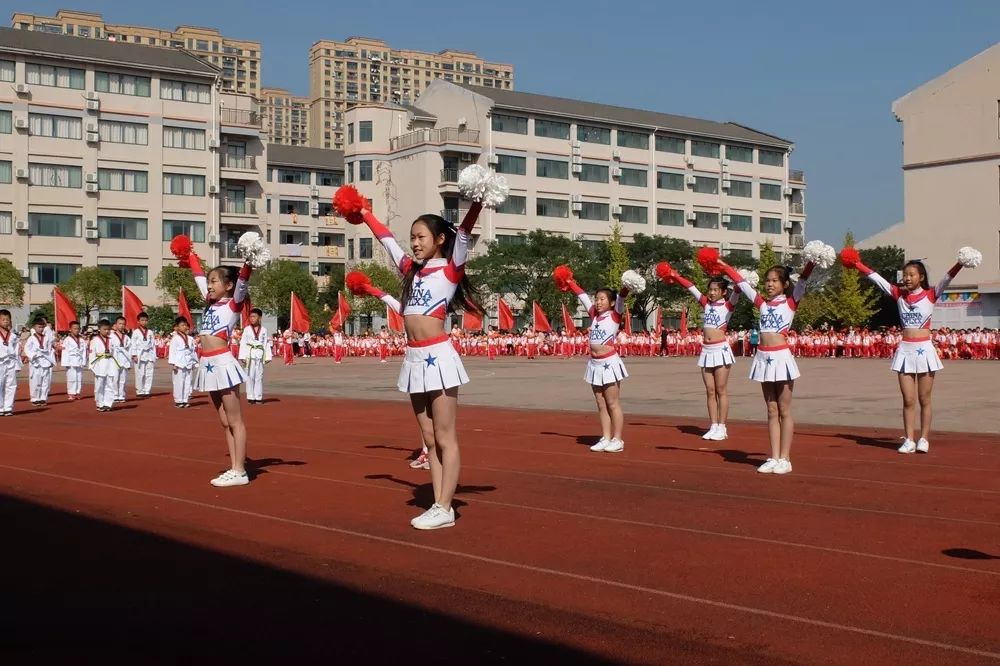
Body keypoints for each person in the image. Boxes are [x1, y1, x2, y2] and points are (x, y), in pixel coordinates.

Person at [350, 191, 484, 530]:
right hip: (413, 357)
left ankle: (444, 505)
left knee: (444, 435)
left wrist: (478, 200)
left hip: (439, 356)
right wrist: (364, 213)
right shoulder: (412, 270)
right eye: (412, 237)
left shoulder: (451, 269)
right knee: (428, 439)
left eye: (421, 237)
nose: (414, 243)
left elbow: (465, 232)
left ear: (439, 240)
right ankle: (441, 504)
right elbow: (386, 241)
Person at [844, 248, 975, 453]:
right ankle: (909, 439)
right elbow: (876, 279)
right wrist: (857, 264)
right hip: (905, 350)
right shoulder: (898, 295)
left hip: (924, 349)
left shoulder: (931, 294)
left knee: (925, 399)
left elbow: (947, 278)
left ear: (921, 277)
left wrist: (960, 262)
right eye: (904, 275)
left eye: (911, 275)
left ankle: (923, 438)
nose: (906, 278)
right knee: (908, 399)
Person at [719, 257, 817, 475]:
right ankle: (773, 456)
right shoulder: (762, 304)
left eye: (775, 281)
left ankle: (785, 457)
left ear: (784, 285)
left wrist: (812, 261)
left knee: (784, 409)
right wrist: (724, 265)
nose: (770, 284)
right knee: (771, 410)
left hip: (781, 358)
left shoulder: (791, 303)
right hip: (763, 358)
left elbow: (802, 280)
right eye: (767, 281)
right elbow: (743, 285)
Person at [182, 242, 255, 487]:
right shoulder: (211, 301)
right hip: (207, 363)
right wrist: (188, 254)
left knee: (235, 420)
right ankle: (235, 467)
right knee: (224, 422)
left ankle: (240, 470)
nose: (209, 285)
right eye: (210, 281)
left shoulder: (233, 304)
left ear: (228, 286)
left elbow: (244, 280)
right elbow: (198, 277)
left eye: (215, 281)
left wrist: (249, 260)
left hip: (223, 362)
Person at [556, 265, 638, 454]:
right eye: (597, 299)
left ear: (610, 302)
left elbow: (622, 296)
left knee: (612, 403)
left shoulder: (615, 315)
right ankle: (606, 437)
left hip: (610, 363)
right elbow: (582, 295)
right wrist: (569, 281)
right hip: (594, 363)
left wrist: (626, 285)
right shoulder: (594, 315)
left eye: (602, 299)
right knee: (600, 403)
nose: (598, 302)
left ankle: (618, 439)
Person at [658, 264, 741, 441]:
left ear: (723, 292)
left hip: (721, 349)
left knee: (721, 390)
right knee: (710, 391)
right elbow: (690, 287)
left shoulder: (728, 305)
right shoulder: (705, 303)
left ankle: (722, 426)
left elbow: (739, 289)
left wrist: (734, 275)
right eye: (710, 289)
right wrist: (675, 274)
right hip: (707, 350)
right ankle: (713, 425)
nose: (711, 293)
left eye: (715, 289)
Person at [238, 308, 272, 404]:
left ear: (259, 317)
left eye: (254, 316)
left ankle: (258, 397)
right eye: (251, 317)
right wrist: (242, 356)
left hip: (259, 354)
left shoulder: (264, 330)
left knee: (259, 376)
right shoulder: (247, 329)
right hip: (249, 354)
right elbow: (243, 342)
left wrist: (268, 356)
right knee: (249, 376)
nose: (252, 319)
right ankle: (251, 396)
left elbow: (266, 343)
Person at [22, 317, 56, 406]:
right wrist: (33, 355)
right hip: (36, 362)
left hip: (45, 361)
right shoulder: (31, 338)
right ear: (34, 327)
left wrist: (51, 361)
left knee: (45, 381)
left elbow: (50, 349)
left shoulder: (47, 338)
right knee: (35, 381)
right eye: (38, 327)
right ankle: (34, 398)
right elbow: (27, 349)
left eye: (42, 327)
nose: (40, 329)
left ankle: (43, 398)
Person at [168, 316, 198, 408]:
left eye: (185, 325)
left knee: (188, 382)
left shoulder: (190, 338)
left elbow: (192, 351)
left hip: (188, 362)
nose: (184, 327)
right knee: (178, 382)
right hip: (179, 363)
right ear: (177, 327)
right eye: (182, 325)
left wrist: (195, 362)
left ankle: (185, 399)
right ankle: (178, 400)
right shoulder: (175, 338)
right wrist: (174, 364)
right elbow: (172, 352)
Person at [89, 319, 118, 412]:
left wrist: (116, 365)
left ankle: (108, 403)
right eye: (104, 329)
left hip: (110, 363)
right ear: (99, 329)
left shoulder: (111, 340)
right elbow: (91, 354)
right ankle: (100, 403)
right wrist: (92, 367)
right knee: (99, 385)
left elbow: (115, 353)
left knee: (110, 384)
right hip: (100, 364)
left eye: (108, 329)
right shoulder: (95, 340)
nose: (107, 331)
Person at [0, 309, 21, 416]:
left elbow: (17, 350)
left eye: (7, 320)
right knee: (0, 384)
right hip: (0, 362)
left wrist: (18, 363)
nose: (5, 322)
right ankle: (0, 407)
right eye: (3, 319)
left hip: (11, 362)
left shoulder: (13, 336)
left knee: (11, 385)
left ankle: (8, 407)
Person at [131, 312, 156, 397]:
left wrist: (154, 356)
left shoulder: (150, 332)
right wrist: (134, 355)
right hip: (139, 354)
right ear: (138, 321)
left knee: (149, 373)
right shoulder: (136, 332)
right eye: (142, 320)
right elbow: (133, 344)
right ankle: (140, 391)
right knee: (140, 373)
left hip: (149, 354)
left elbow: (153, 345)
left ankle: (147, 390)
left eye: (146, 320)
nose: (144, 322)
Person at [61, 320, 87, 400]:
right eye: (75, 328)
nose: (77, 330)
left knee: (79, 377)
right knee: (71, 377)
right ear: (70, 329)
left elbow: (84, 351)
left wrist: (84, 361)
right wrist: (66, 363)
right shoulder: (67, 339)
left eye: (78, 328)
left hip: (79, 360)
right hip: (71, 360)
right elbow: (65, 352)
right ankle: (71, 393)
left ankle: (77, 392)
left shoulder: (82, 340)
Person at [110, 317, 132, 403]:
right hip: (115, 359)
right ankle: (115, 395)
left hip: (124, 359)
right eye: (120, 323)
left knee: (123, 379)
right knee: (115, 378)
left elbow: (130, 350)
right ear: (115, 325)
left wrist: (129, 362)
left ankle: (121, 395)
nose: (121, 325)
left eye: (123, 324)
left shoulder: (126, 337)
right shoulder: (111, 336)